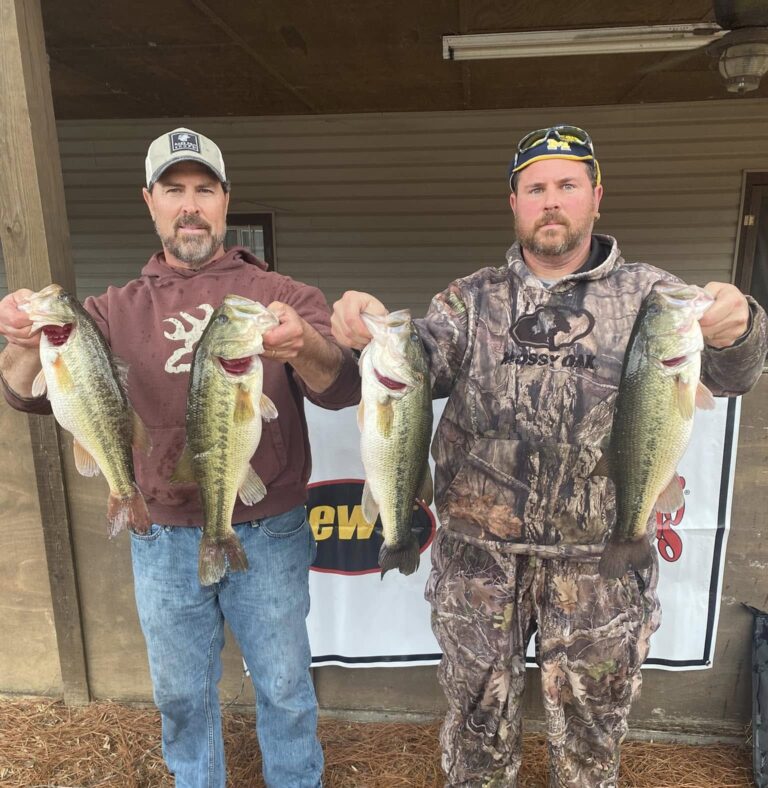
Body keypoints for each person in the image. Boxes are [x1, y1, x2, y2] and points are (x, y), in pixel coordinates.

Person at [331, 125, 768, 787]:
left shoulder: (653, 297)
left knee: (589, 743)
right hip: (479, 565)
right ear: (515, 203)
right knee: (477, 738)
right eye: (535, 188)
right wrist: (365, 325)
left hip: (600, 564)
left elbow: (733, 375)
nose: (552, 200)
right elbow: (414, 361)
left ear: (597, 195)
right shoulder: (469, 300)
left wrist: (741, 327)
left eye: (567, 184)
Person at [0, 127, 361, 788]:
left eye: (204, 189)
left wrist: (305, 345)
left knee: (285, 688)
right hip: (160, 535)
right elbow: (24, 393)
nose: (190, 205)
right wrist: (25, 338)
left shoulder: (279, 296)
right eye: (173, 190)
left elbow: (342, 388)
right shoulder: (110, 310)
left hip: (271, 530)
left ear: (225, 201)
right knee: (182, 698)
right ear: (150, 202)